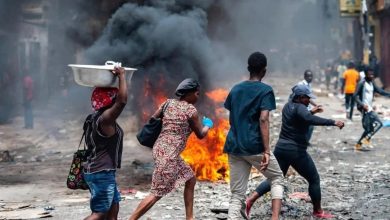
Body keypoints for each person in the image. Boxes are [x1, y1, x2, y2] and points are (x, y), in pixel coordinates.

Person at [246, 84, 345, 219]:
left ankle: (250, 200)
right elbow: (309, 119)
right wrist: (333, 122)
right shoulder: (300, 107)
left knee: (276, 179)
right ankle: (318, 211)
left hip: (281, 149)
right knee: (314, 179)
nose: (309, 100)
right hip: (295, 151)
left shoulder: (288, 106)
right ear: (300, 97)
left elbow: (301, 117)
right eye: (307, 98)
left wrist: (311, 111)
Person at [129, 78, 213, 220]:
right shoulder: (190, 110)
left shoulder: (167, 104)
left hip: (161, 149)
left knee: (190, 179)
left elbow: (153, 119)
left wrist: (169, 123)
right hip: (169, 155)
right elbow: (200, 134)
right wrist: (207, 124)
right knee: (156, 193)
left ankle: (190, 217)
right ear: (189, 93)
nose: (198, 96)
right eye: (197, 94)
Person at [224, 52, 284, 220]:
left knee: (237, 194)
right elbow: (263, 119)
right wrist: (266, 151)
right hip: (255, 146)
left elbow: (232, 118)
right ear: (264, 71)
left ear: (248, 68)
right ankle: (275, 218)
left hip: (234, 146)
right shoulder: (265, 90)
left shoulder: (236, 89)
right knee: (277, 177)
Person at [83, 67, 127, 220]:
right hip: (101, 173)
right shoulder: (106, 119)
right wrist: (121, 75)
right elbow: (122, 101)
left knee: (113, 212)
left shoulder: (95, 117)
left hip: (103, 172)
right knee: (99, 214)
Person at [353, 67, 390, 151]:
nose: (372, 75)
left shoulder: (372, 83)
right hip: (365, 110)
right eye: (370, 74)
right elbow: (355, 96)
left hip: (370, 108)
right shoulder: (362, 83)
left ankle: (361, 142)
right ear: (366, 74)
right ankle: (363, 141)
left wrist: (389, 94)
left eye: (372, 74)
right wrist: (362, 105)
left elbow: (380, 91)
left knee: (374, 126)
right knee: (372, 127)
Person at [296, 70, 322, 143]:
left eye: (311, 76)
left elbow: (308, 98)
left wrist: (316, 105)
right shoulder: (301, 85)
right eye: (308, 76)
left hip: (306, 108)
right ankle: (303, 141)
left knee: (309, 125)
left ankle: (304, 141)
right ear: (305, 77)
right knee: (308, 125)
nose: (310, 78)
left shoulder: (308, 84)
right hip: (301, 108)